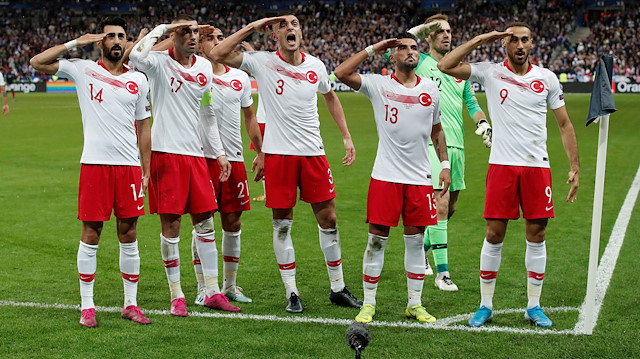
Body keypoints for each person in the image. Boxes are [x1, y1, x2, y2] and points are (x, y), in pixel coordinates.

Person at [211, 15, 362, 313]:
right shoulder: (261, 61)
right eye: (283, 25)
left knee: (329, 219)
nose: (290, 28)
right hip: (278, 155)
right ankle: (291, 292)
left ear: (301, 32)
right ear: (274, 35)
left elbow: (330, 98)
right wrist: (255, 25)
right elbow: (217, 54)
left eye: (295, 24)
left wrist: (346, 137)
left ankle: (337, 287)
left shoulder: (316, 65)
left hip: (313, 153)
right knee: (282, 224)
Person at [438, 22, 580, 328]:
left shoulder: (547, 79)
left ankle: (533, 305)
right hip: (501, 165)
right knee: (494, 234)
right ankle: (485, 305)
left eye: (524, 40)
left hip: (536, 165)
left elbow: (565, 125)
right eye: (513, 39)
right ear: (505, 44)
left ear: (532, 44)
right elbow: (444, 64)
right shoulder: (490, 72)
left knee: (537, 234)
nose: (519, 44)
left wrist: (575, 166)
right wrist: (480, 39)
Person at [30, 17, 152, 327]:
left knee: (129, 234)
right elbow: (37, 62)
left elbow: (144, 128)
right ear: (100, 42)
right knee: (91, 234)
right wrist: (76, 42)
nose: (116, 40)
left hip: (128, 168)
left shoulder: (138, 80)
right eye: (110, 36)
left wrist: (146, 170)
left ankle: (131, 304)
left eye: (121, 36)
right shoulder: (83, 69)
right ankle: (87, 307)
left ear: (126, 43)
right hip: (95, 165)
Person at [335, 33, 450, 323]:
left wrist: (445, 164)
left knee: (415, 242)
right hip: (385, 176)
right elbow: (340, 73)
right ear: (392, 56)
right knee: (376, 242)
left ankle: (415, 303)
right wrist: (373, 47)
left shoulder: (430, 90)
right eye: (403, 48)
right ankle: (369, 304)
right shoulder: (379, 85)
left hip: (420, 178)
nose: (410, 52)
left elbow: (437, 130)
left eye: (414, 48)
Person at [129, 15, 238, 317]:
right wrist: (163, 28)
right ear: (175, 37)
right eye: (186, 32)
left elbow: (207, 114)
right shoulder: (159, 63)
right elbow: (136, 55)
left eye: (194, 32)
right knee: (172, 227)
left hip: (196, 156)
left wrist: (219, 153)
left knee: (205, 224)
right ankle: (176, 295)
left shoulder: (204, 68)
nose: (192, 36)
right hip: (166, 154)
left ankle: (213, 292)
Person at [405, 14, 491, 291]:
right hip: (430, 144)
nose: (446, 35)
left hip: (457, 147)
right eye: (439, 31)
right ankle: (443, 274)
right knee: (440, 207)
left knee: (449, 209)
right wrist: (416, 33)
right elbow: (393, 51)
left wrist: (483, 123)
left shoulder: (459, 72)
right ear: (428, 35)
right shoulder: (418, 62)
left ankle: (421, 251)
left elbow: (471, 102)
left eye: (449, 31)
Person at [194, 28, 265, 305]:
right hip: (202, 156)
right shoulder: (197, 74)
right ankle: (203, 287)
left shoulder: (240, 78)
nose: (217, 41)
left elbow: (250, 117)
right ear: (199, 45)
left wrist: (260, 152)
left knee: (233, 223)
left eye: (220, 36)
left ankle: (230, 285)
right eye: (209, 37)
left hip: (234, 158)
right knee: (203, 222)